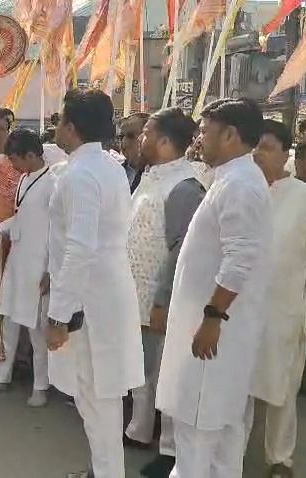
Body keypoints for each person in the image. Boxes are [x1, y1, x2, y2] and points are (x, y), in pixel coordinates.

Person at [156, 98, 271, 478]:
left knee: (197, 434)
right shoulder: (232, 179)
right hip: (216, 332)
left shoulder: (241, 185)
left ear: (230, 135)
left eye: (205, 131)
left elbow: (239, 261)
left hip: (213, 336)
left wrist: (212, 318)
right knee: (220, 441)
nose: (198, 139)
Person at [46, 89, 144, 478]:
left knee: (98, 401)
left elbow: (80, 249)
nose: (56, 127)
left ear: (71, 127)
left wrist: (58, 316)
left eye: (59, 119)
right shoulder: (107, 166)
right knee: (99, 400)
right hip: (102, 295)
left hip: (89, 304)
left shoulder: (80, 174)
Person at [122, 108, 204, 478]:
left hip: (161, 299)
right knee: (142, 368)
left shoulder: (185, 186)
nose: (140, 139)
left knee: (166, 373)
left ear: (165, 140)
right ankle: (139, 430)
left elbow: (180, 249)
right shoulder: (152, 176)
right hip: (136, 293)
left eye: (147, 133)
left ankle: (171, 451)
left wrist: (162, 299)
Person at [250, 120, 306, 478]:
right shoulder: (237, 190)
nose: (257, 154)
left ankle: (280, 458)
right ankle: (230, 453)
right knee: (237, 386)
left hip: (285, 311)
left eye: (266, 147)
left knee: (282, 387)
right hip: (236, 309)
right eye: (254, 146)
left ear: (286, 154)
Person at [0, 129, 59, 407]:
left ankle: (40, 386)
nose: (12, 165)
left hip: (39, 263)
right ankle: (2, 376)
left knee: (37, 330)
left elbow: (58, 230)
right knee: (8, 321)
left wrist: (51, 269)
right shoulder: (24, 178)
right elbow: (21, 218)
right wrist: (0, 228)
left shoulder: (54, 183)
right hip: (18, 259)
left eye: (15, 159)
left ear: (30, 155)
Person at [118, 112, 151, 193]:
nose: (124, 142)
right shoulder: (114, 172)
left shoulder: (159, 174)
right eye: (121, 137)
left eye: (130, 136)